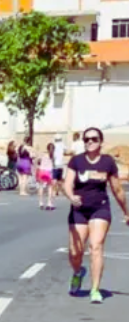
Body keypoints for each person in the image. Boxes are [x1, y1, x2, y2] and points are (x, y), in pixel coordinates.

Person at [62, 127, 129, 304]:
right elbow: (67, 183)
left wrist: (126, 212)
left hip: (100, 208)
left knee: (96, 246)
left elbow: (117, 189)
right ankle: (78, 272)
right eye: (87, 139)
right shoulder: (76, 161)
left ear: (101, 142)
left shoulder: (107, 162)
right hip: (78, 209)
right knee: (75, 252)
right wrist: (70, 196)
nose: (90, 142)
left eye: (94, 139)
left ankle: (95, 289)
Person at [36, 145, 55, 210]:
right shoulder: (53, 156)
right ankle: (49, 203)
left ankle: (41, 202)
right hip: (49, 172)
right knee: (50, 187)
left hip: (42, 171)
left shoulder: (43, 155)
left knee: (41, 187)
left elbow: (38, 162)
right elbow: (54, 165)